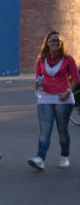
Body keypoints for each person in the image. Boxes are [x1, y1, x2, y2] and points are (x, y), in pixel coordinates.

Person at [27, 31, 80, 170]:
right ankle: (40, 158)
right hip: (45, 97)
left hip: (63, 98)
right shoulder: (41, 60)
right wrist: (37, 84)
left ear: (61, 43)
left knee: (62, 129)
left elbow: (76, 79)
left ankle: (64, 156)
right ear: (47, 43)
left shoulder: (68, 59)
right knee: (45, 130)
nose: (55, 43)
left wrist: (68, 92)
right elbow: (39, 77)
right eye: (53, 40)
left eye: (58, 41)